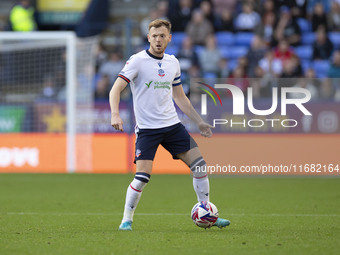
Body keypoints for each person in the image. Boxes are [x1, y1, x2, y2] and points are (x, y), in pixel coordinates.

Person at [109, 19, 230, 231]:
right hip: (147, 130)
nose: (158, 40)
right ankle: (126, 220)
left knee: (200, 166)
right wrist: (115, 114)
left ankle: (207, 212)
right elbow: (115, 89)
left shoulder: (173, 62)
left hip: (173, 126)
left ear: (169, 38)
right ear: (148, 37)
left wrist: (199, 122)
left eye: (162, 36)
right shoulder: (137, 61)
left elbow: (180, 97)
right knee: (141, 178)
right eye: (154, 36)